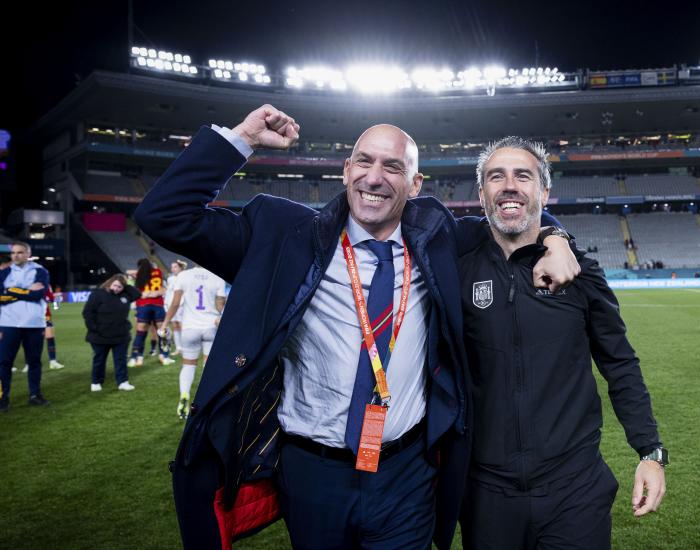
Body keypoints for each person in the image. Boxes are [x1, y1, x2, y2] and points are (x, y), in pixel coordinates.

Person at [134, 104, 580, 550]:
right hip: (313, 472)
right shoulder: (283, 234)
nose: (374, 177)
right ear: (346, 171)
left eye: (393, 167)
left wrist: (555, 238)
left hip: (406, 473)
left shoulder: (439, 236)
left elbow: (515, 214)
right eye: (364, 162)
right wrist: (242, 139)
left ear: (415, 184)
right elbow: (163, 216)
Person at [458, 137, 666, 549]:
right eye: (496, 177)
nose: (509, 185)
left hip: (574, 489)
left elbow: (619, 362)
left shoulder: (582, 274)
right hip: (486, 493)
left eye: (524, 175)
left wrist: (649, 451)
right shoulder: (457, 269)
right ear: (482, 194)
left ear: (544, 191)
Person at [159, 265, 226, 419]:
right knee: (209, 367)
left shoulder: (184, 275)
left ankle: (184, 394)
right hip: (211, 326)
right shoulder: (217, 276)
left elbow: (175, 303)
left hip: (189, 328)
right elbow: (220, 305)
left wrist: (164, 323)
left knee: (188, 365)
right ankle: (207, 400)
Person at [0, 241, 52, 411]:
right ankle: (2, 398)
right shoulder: (4, 271)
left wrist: (11, 291)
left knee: (34, 361)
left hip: (34, 323)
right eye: (13, 252)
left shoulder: (40, 271)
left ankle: (35, 395)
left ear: (28, 254)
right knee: (4, 362)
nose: (16, 255)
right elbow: (1, 294)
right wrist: (25, 291)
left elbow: (38, 294)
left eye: (20, 252)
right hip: (8, 323)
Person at [82, 274, 141, 392]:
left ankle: (123, 382)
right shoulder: (98, 294)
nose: (116, 289)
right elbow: (87, 313)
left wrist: (126, 284)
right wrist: (95, 328)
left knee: (121, 360)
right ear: (109, 283)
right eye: (115, 285)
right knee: (99, 360)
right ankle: (96, 382)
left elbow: (137, 294)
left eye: (119, 287)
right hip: (100, 335)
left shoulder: (125, 295)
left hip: (121, 335)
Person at [128, 258, 174, 366]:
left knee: (140, 332)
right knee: (162, 331)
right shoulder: (157, 272)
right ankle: (164, 356)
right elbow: (163, 289)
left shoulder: (139, 273)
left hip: (143, 305)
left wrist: (145, 293)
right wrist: (155, 292)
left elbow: (130, 274)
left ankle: (136, 357)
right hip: (157, 304)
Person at [164, 259, 189, 356]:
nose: (173, 269)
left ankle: (187, 347)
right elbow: (169, 293)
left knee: (183, 326)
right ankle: (179, 348)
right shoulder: (170, 279)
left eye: (175, 267)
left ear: (180, 268)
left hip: (182, 305)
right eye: (172, 267)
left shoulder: (185, 277)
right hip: (171, 305)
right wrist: (166, 303)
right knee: (175, 326)